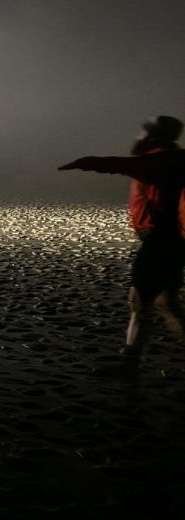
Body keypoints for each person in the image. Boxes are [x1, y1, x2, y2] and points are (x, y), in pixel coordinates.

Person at [59, 115, 184, 359]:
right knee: (168, 302)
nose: (139, 135)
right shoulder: (176, 159)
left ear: (153, 135)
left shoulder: (158, 161)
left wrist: (82, 162)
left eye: (144, 131)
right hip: (176, 240)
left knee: (139, 301)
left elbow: (115, 164)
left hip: (158, 241)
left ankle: (129, 360)